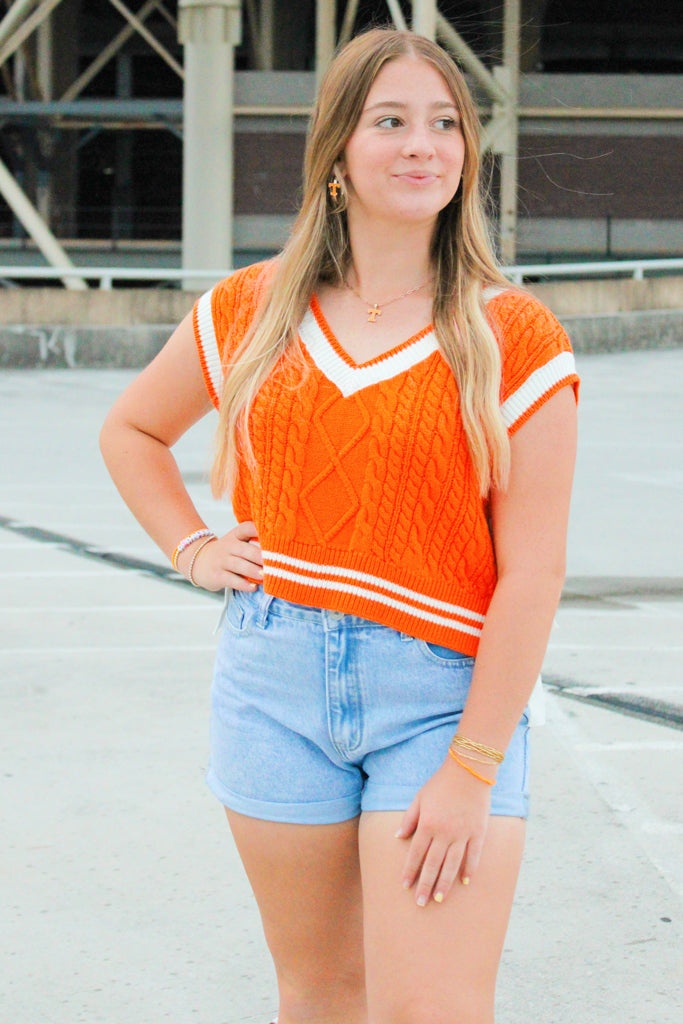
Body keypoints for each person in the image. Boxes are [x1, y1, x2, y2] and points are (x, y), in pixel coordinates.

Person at [100, 26, 579, 1024]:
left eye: (444, 124)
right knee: (319, 998)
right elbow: (132, 430)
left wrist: (472, 764)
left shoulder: (511, 333)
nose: (422, 145)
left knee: (430, 1009)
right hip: (270, 686)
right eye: (390, 121)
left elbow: (530, 575)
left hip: (437, 699)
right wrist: (192, 546)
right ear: (335, 152)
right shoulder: (249, 310)